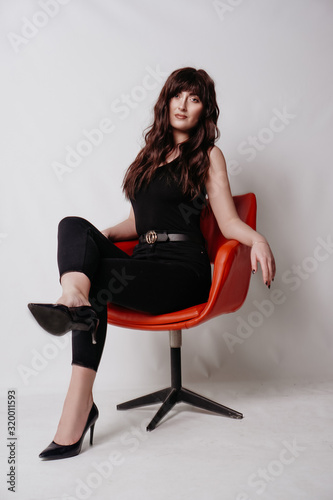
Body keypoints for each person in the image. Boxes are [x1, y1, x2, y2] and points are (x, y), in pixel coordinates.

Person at [28, 67, 276, 460]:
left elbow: (227, 222)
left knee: (94, 279)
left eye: (194, 98)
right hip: (142, 263)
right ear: (166, 101)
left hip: (181, 271)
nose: (184, 104)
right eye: (179, 95)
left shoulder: (208, 155)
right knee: (72, 225)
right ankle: (73, 299)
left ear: (203, 110)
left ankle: (76, 410)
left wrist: (257, 238)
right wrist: (100, 236)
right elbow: (140, 223)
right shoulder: (149, 156)